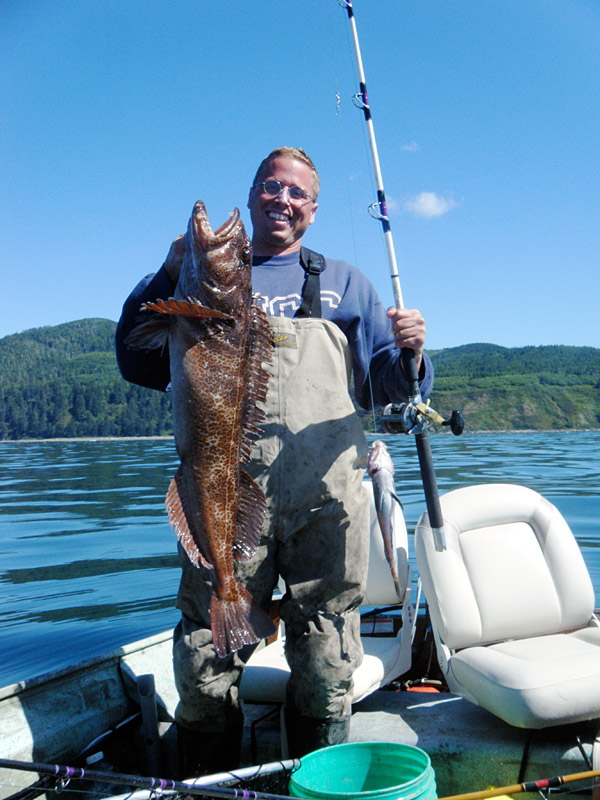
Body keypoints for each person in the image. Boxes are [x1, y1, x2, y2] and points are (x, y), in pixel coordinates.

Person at [115, 147, 433, 774]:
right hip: (225, 488)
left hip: (325, 500)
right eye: (270, 186)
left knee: (326, 654)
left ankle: (314, 780)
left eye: (297, 193)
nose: (281, 200)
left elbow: (387, 386)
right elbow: (135, 357)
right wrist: (168, 270)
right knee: (207, 653)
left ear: (313, 210)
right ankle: (211, 784)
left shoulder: (345, 283)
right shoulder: (194, 290)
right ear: (255, 192)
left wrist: (414, 355)